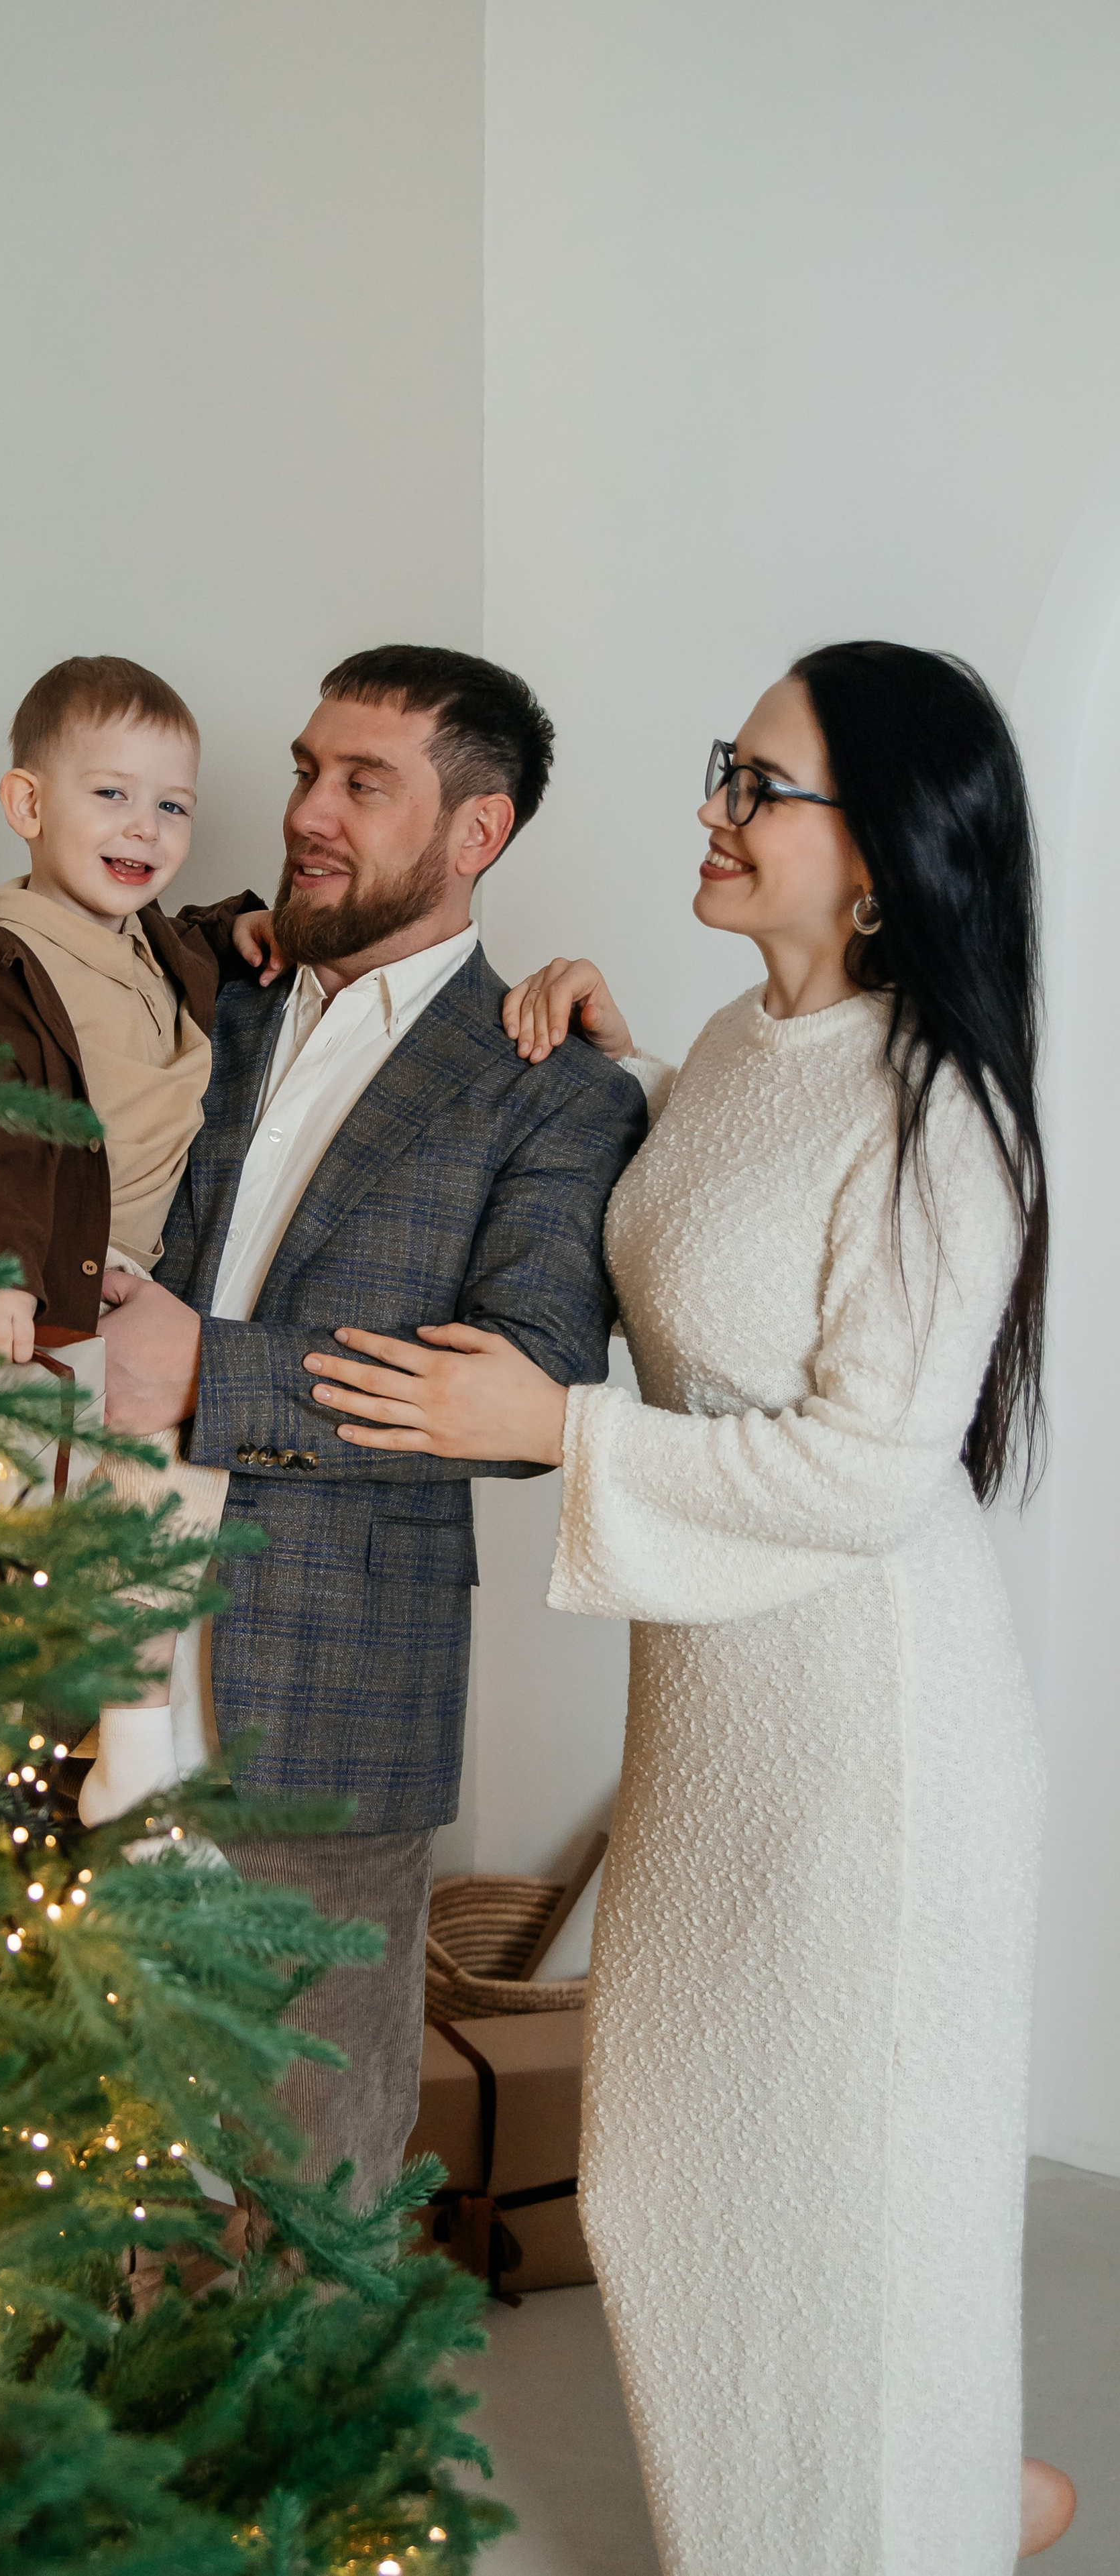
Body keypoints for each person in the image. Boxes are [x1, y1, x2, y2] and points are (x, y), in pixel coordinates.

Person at [301, 641, 1077, 2567]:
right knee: (671, 2179)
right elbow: (726, 1226)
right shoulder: (743, 1042)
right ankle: (931, 2505)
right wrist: (623, 1067)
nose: (714, 811)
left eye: (761, 786)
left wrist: (555, 1428)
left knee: (845, 2210)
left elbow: (863, 1470)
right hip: (727, 1714)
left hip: (871, 1732)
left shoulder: (943, 1112)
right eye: (725, 766)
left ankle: (904, 2526)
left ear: (879, 852)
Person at [95, 644, 647, 2198]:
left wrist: (209, 1372)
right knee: (88, 2141)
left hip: (331, 1680)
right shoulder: (207, 992)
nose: (306, 812)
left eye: (361, 782)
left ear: (476, 832)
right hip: (93, 1629)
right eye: (303, 771)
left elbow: (520, 1389)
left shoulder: (552, 1091)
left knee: (306, 2171)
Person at [0, 655, 272, 1820]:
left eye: (173, 805)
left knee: (173, 1480)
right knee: (4, 1529)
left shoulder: (157, 946)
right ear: (27, 804)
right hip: (19, 1278)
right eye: (111, 795)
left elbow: (196, 933)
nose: (145, 826)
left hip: (111, 1283)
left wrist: (247, 922)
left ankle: (135, 1742)